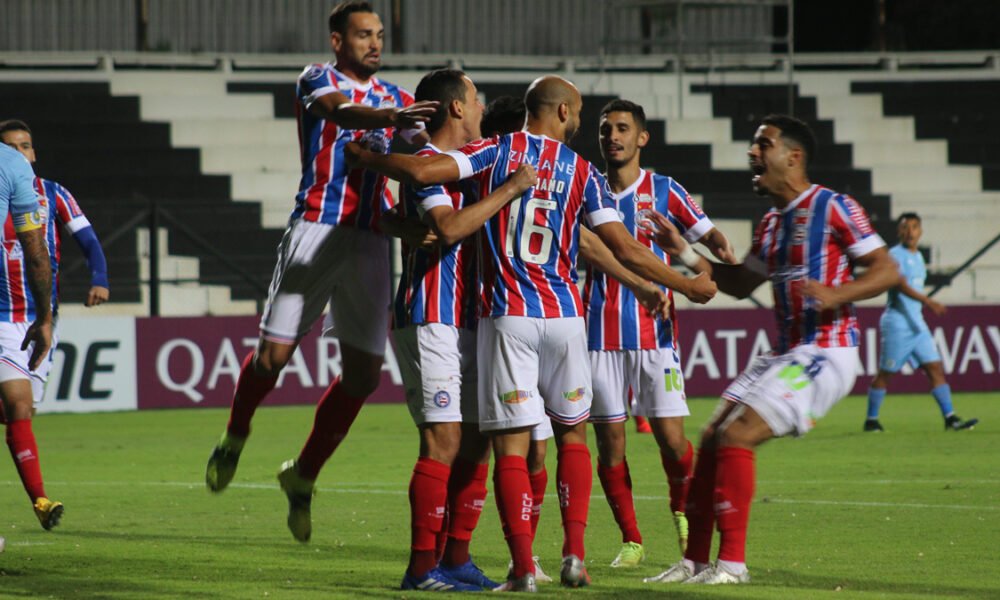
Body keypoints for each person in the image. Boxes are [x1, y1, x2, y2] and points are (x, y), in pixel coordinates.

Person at [348, 75, 716, 591]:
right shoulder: (584, 170)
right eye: (583, 112)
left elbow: (424, 172)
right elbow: (622, 245)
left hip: (506, 316)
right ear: (564, 112)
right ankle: (572, 555)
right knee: (569, 437)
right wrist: (684, 283)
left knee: (510, 447)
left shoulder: (496, 152)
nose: (585, 124)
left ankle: (520, 566)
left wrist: (370, 161)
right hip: (561, 317)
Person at [203, 0, 438, 544]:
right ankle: (236, 435)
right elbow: (337, 111)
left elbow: (422, 162)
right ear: (338, 41)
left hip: (371, 241)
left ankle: (302, 476)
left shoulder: (399, 99)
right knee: (272, 357)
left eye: (378, 34)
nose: (374, 43)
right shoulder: (317, 79)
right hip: (315, 226)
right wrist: (388, 121)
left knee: (362, 376)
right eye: (362, 35)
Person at [642, 114, 898, 585]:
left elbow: (887, 271)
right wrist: (681, 250)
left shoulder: (835, 206)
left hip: (827, 350)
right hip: (784, 352)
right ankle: (695, 561)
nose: (752, 153)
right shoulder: (773, 223)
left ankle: (733, 566)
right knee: (712, 436)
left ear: (793, 157)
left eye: (764, 144)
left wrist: (838, 294)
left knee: (738, 436)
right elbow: (741, 284)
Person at [390, 69, 536, 592]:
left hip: (471, 317)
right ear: (455, 108)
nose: (479, 108)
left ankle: (455, 558)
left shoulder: (469, 167)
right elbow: (449, 228)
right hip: (431, 313)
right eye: (473, 99)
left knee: (476, 439)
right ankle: (421, 569)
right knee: (443, 437)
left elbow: (395, 217)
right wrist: (514, 188)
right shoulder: (429, 166)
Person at [585, 100, 737, 569]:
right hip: (597, 334)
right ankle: (631, 540)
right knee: (610, 444)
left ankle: (683, 514)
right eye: (606, 129)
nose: (613, 136)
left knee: (672, 439)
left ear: (642, 138)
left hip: (657, 336)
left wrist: (700, 252)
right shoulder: (585, 187)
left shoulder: (667, 191)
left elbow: (718, 248)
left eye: (623, 129)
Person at [864, 213, 978, 432]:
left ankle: (950, 418)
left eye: (914, 227)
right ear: (899, 232)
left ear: (920, 231)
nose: (910, 232)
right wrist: (928, 300)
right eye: (905, 227)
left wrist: (923, 303)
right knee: (886, 374)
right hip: (897, 323)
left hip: (917, 322)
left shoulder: (918, 257)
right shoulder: (894, 255)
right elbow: (899, 283)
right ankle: (871, 420)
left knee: (935, 368)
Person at [0, 143, 55, 529]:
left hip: (10, 316)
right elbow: (36, 249)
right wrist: (46, 315)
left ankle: (40, 499)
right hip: (14, 317)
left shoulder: (55, 192)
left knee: (20, 403)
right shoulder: (10, 165)